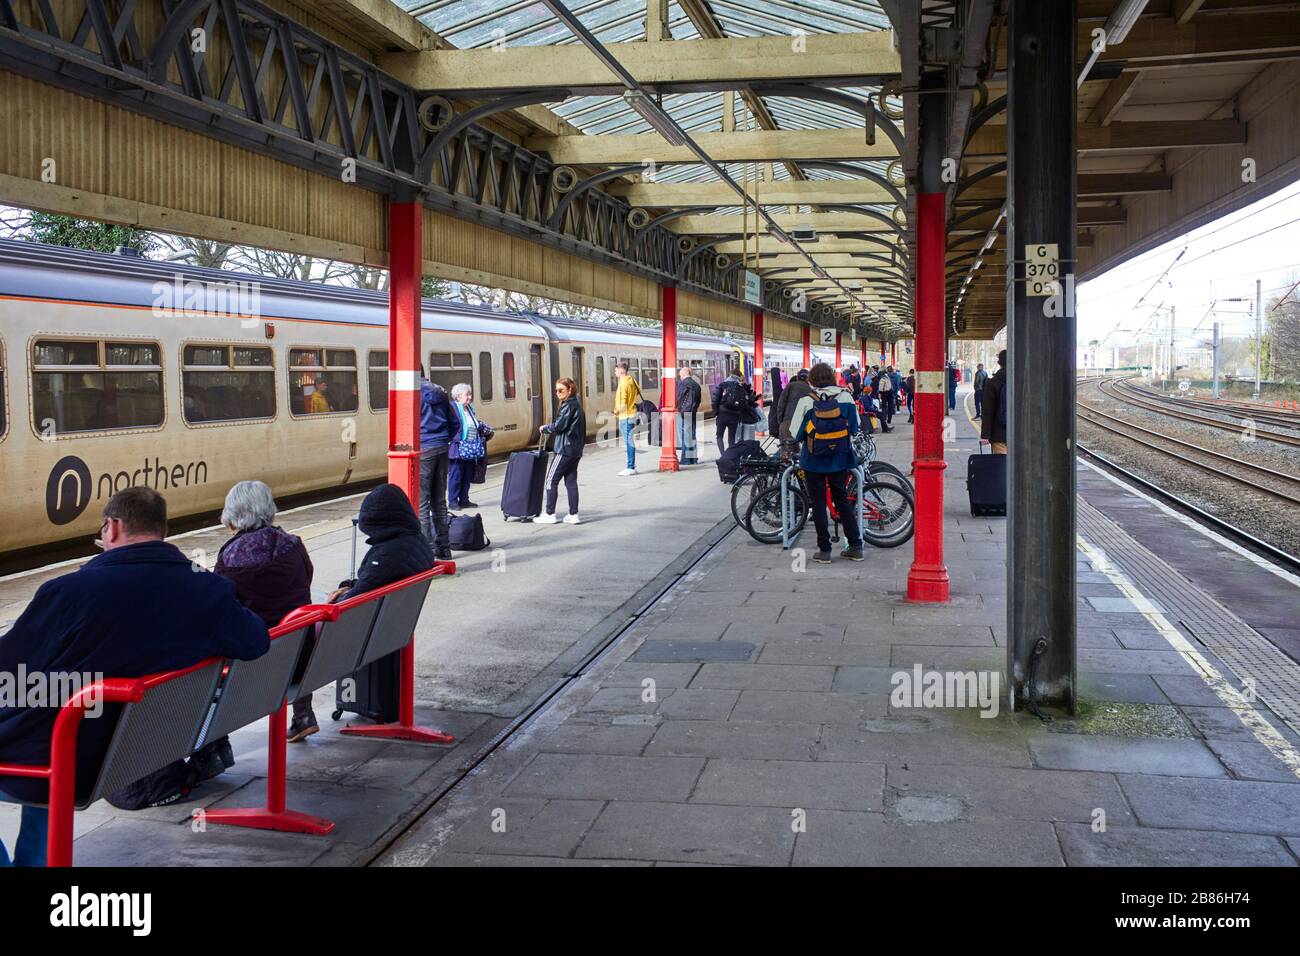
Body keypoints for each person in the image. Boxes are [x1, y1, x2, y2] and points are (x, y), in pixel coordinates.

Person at [0, 488, 269, 866]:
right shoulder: (205, 588)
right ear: (163, 530)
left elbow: (10, 665)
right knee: (52, 729)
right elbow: (256, 640)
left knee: (43, 727)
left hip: (72, 756)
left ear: (112, 527)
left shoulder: (70, 592)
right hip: (139, 751)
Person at [183, 481, 316, 768]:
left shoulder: (229, 557)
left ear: (233, 516)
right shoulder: (294, 546)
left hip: (253, 668)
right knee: (293, 620)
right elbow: (306, 580)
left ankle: (213, 748)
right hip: (301, 660)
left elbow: (221, 607)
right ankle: (303, 712)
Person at [789, 363, 865, 564]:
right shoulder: (846, 397)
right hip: (840, 458)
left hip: (813, 460)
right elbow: (855, 428)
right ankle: (856, 546)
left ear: (812, 380)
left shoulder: (807, 401)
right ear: (832, 377)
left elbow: (795, 432)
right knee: (842, 499)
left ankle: (824, 550)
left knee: (819, 503)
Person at [535, 378, 587, 524]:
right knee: (571, 481)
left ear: (569, 390)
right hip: (575, 450)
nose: (557, 393)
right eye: (556, 390)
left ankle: (550, 514)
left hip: (564, 449)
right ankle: (573, 514)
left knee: (551, 480)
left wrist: (545, 428)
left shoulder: (568, 406)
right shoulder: (576, 404)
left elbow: (560, 426)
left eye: (561, 390)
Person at [417, 365, 454, 559]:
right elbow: (454, 421)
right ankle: (445, 548)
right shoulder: (441, 391)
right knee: (439, 501)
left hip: (424, 449)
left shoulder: (412, 393)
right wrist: (444, 438)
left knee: (422, 501)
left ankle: (427, 551)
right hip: (441, 447)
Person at [448, 383, 491, 510]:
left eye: (469, 394)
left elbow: (474, 424)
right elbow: (449, 426)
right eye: (467, 395)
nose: (469, 397)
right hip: (458, 448)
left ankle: (464, 500)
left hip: (471, 448)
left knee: (467, 474)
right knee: (456, 475)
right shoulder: (453, 408)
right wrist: (456, 440)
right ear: (458, 396)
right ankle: (453, 501)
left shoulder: (469, 409)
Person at [614, 362, 641, 476]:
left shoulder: (623, 384)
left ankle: (630, 467)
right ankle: (631, 466)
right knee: (630, 441)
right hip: (632, 413)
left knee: (629, 442)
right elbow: (638, 392)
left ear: (621, 371)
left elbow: (623, 402)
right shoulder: (632, 380)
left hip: (625, 416)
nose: (615, 373)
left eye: (615, 371)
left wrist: (617, 411)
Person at [712, 369, 746, 453]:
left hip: (722, 414)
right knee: (731, 438)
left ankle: (723, 455)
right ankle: (730, 456)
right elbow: (743, 403)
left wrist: (715, 412)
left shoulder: (723, 385)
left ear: (730, 374)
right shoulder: (741, 387)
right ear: (739, 376)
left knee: (719, 436)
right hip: (734, 416)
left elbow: (715, 399)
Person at [981, 349, 1008, 454]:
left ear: (999, 363)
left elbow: (987, 411)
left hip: (999, 435)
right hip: (1020, 436)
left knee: (1000, 468)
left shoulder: (992, 383)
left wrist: (985, 435)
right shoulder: (1023, 381)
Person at [676, 366, 702, 465]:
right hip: (692, 412)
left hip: (683, 413)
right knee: (692, 435)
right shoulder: (696, 385)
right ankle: (693, 459)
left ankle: (685, 459)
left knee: (685, 436)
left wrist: (679, 409)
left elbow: (678, 398)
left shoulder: (682, 384)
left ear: (683, 374)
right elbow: (698, 400)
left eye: (680, 375)